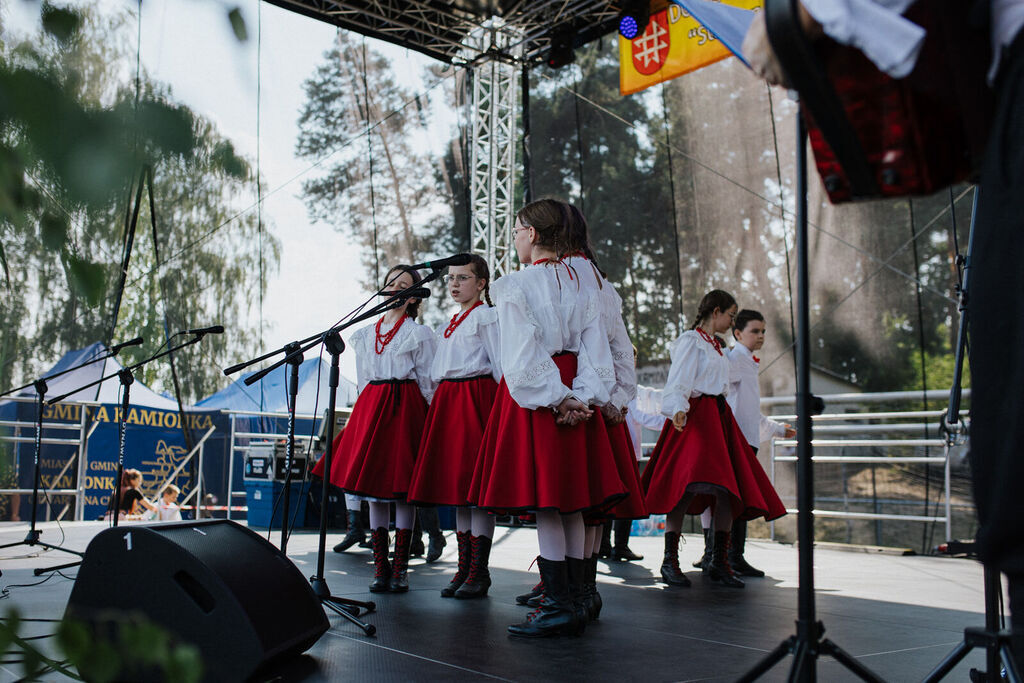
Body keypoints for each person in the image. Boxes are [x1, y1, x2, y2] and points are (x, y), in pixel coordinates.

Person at [469, 198, 629, 638]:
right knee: (573, 500)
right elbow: (599, 352)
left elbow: (521, 353)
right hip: (575, 385)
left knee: (549, 505)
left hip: (540, 393)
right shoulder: (584, 282)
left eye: (518, 230)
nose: (516, 238)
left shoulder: (512, 285)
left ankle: (560, 603)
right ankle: (576, 600)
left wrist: (558, 400)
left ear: (533, 234)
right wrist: (584, 398)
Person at [641, 290, 786, 589]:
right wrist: (678, 408)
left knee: (727, 489)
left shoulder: (718, 347)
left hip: (719, 418)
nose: (732, 320)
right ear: (716, 311)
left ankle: (719, 561)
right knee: (686, 485)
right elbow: (679, 379)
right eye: (731, 315)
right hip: (696, 416)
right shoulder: (691, 341)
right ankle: (670, 562)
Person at [316, 264, 437, 593]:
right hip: (374, 404)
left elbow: (428, 381)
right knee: (374, 490)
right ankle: (380, 566)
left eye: (404, 285)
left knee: (401, 490)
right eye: (391, 283)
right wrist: (364, 413)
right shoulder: (364, 334)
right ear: (382, 289)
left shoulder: (419, 334)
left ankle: (401, 567)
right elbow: (365, 378)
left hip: (405, 405)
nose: (396, 289)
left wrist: (425, 418)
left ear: (413, 297)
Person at [562, 217, 647, 619]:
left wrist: (609, 396)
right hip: (597, 396)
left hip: (580, 395)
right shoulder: (599, 280)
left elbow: (604, 347)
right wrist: (619, 396)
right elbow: (621, 349)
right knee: (590, 503)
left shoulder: (574, 275)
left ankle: (572, 592)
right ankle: (583, 590)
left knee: (577, 500)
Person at [409, 255, 501, 598]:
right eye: (451, 278)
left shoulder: (487, 318)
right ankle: (464, 567)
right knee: (460, 493)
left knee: (476, 492)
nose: (454, 284)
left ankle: (479, 570)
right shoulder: (450, 321)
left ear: (481, 283)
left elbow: (501, 365)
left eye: (463, 278)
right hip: (449, 401)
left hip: (476, 398)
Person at [723, 309, 795, 576]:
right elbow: (723, 394)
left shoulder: (746, 362)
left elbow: (749, 411)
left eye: (763, 331)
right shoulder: (737, 360)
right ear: (738, 333)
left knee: (737, 500)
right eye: (755, 331)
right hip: (739, 441)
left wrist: (776, 429)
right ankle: (729, 556)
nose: (761, 335)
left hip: (745, 439)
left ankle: (724, 555)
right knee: (738, 501)